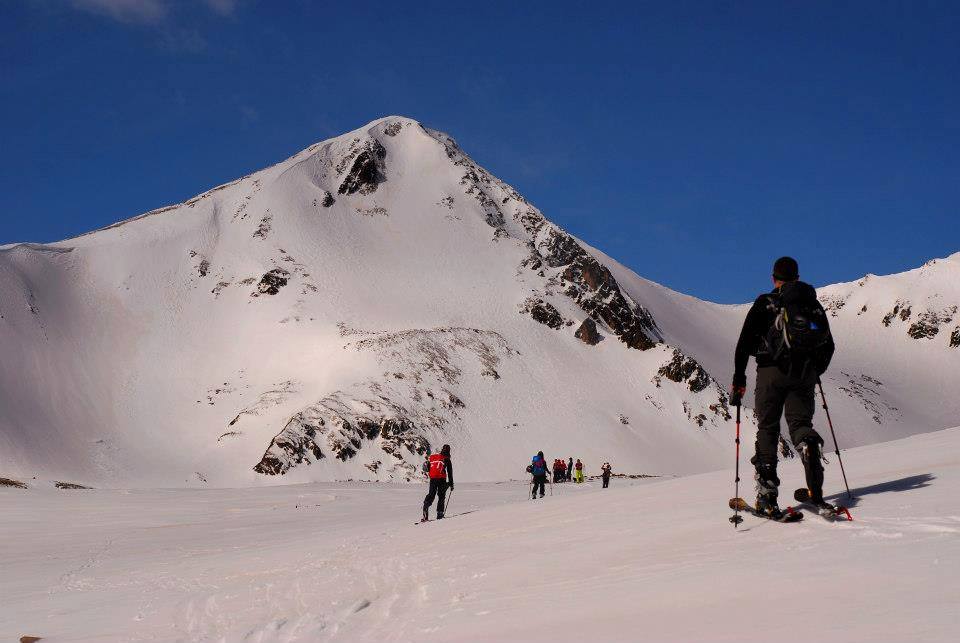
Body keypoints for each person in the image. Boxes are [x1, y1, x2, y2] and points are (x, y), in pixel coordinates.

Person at [731, 256, 835, 518]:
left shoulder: (766, 303)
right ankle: (809, 452)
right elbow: (828, 345)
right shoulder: (811, 305)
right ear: (797, 278)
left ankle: (768, 497)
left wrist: (739, 379)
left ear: (773, 278)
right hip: (804, 373)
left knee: (768, 428)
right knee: (800, 425)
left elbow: (744, 343)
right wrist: (813, 371)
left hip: (770, 372)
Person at [422, 444, 454, 521]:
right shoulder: (447, 459)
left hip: (433, 478)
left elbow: (428, 468)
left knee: (431, 494)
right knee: (441, 495)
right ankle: (439, 514)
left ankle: (425, 507)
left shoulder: (434, 457)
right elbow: (450, 472)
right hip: (441, 479)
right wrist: (451, 484)